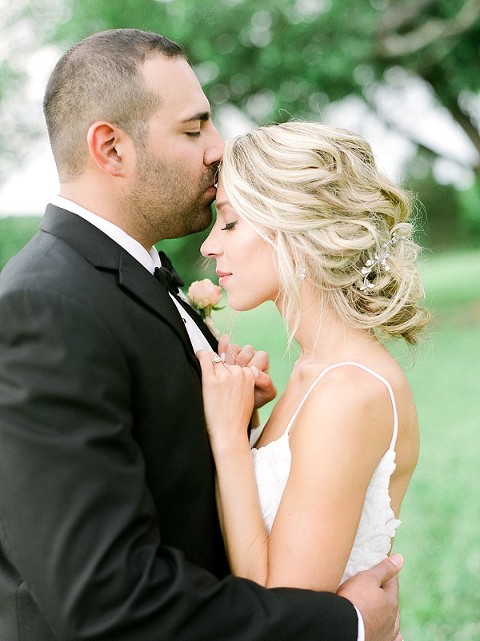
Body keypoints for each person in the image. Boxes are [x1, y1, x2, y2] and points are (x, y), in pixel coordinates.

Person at [0, 29, 401, 641]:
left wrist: (229, 414)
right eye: (193, 130)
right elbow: (105, 596)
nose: (218, 148)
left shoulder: (131, 277)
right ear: (111, 148)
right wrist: (342, 623)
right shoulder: (44, 304)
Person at [199, 121, 430, 591]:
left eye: (229, 222)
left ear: (295, 224)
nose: (209, 245)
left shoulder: (350, 392)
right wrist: (245, 419)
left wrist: (225, 437)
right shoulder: (312, 372)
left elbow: (284, 609)